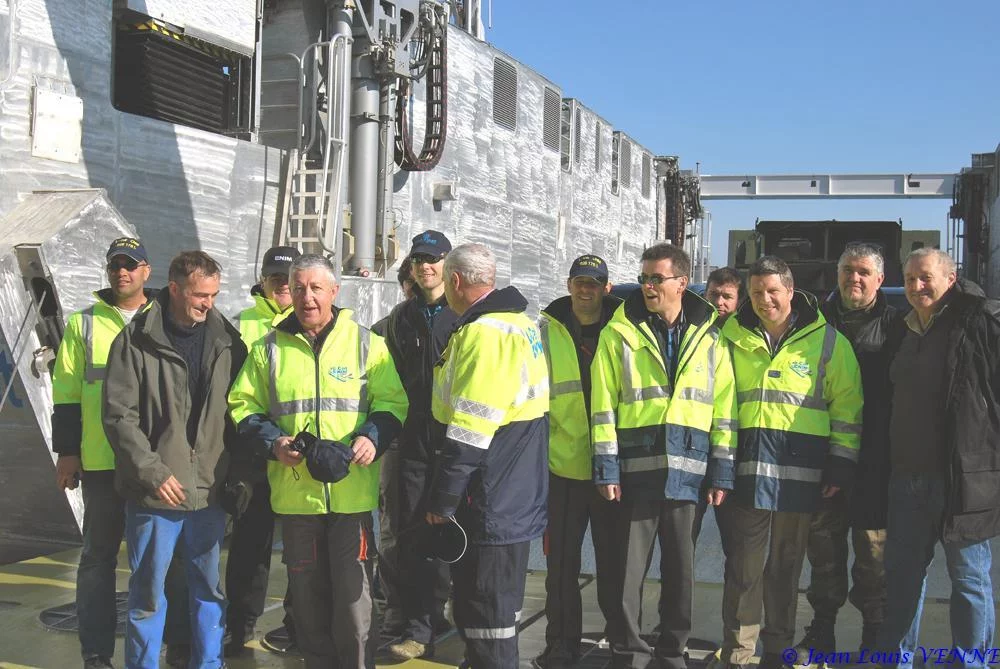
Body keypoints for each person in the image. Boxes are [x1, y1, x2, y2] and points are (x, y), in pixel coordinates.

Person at [228, 253, 408, 669]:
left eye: (315, 288)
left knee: (353, 604)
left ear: (333, 292)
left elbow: (393, 403)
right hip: (297, 501)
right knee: (307, 603)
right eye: (299, 288)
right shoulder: (267, 350)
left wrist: (372, 436)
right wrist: (274, 443)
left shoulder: (367, 344)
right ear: (287, 292)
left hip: (351, 498)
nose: (307, 298)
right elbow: (242, 406)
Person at [590, 243, 738, 669]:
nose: (648, 285)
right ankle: (629, 654)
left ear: (681, 282)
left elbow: (724, 411)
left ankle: (672, 654)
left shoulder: (711, 339)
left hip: (689, 475)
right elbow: (603, 407)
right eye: (644, 278)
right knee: (627, 575)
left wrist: (722, 475)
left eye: (657, 278)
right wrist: (606, 469)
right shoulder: (618, 334)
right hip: (635, 473)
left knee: (681, 575)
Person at [103, 251, 246, 669]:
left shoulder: (228, 342)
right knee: (147, 594)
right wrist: (152, 473)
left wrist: (237, 478)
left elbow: (239, 415)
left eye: (214, 295)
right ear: (174, 289)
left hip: (209, 493)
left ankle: (209, 665)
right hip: (156, 495)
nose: (208, 303)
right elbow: (118, 415)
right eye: (200, 295)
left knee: (208, 590)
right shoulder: (133, 341)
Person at [718, 255, 862, 669]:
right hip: (747, 474)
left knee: (785, 572)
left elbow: (848, 409)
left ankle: (777, 651)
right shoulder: (729, 338)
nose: (765, 300)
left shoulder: (828, 341)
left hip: (801, 480)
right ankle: (739, 654)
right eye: (757, 292)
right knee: (743, 572)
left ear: (791, 291)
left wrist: (840, 465)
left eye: (773, 291)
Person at [52, 238, 189, 669]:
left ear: (148, 271)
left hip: (156, 465)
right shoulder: (84, 324)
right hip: (101, 463)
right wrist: (68, 452)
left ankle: (171, 643)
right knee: (97, 558)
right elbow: (67, 394)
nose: (121, 272)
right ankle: (96, 653)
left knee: (164, 562)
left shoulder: (167, 318)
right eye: (115, 265)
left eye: (130, 265)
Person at [425, 243, 549, 668]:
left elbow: (469, 431)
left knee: (486, 616)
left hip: (488, 499)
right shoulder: (519, 324)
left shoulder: (484, 333)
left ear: (455, 282)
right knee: (495, 617)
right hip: (511, 494)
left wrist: (441, 502)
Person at [875, 248, 1000, 669]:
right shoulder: (905, 329)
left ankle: (972, 663)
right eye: (909, 279)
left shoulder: (979, 322)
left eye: (925, 277)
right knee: (904, 577)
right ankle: (898, 661)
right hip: (907, 478)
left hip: (964, 479)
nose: (915, 287)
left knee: (969, 579)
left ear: (951, 277)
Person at [792, 244, 894, 658]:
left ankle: (875, 633)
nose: (855, 277)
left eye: (864, 272)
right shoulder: (812, 322)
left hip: (875, 463)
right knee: (824, 551)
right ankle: (823, 630)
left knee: (873, 554)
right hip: (823, 459)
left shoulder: (897, 327)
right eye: (848, 270)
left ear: (880, 279)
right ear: (837, 274)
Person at [532, 254, 624, 669]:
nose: (586, 290)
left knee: (615, 566)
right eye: (579, 282)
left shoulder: (624, 328)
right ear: (569, 284)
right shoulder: (546, 329)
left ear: (607, 288)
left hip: (614, 470)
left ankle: (621, 642)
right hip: (564, 468)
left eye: (594, 283)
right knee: (561, 567)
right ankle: (561, 644)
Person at [381, 231, 458, 660]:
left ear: (448, 265)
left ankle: (447, 613)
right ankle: (416, 625)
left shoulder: (464, 316)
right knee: (410, 536)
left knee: (453, 536)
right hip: (410, 445)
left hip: (453, 444)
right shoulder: (401, 318)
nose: (426, 266)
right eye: (419, 260)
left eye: (434, 259)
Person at [223, 245, 300, 656]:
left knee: (301, 550)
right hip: (256, 455)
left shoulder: (311, 320)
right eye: (275, 279)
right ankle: (240, 623)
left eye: (289, 280)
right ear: (263, 281)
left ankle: (296, 622)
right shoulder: (241, 325)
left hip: (298, 458)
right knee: (249, 547)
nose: (282, 287)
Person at [692, 266, 745, 545]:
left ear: (739, 301)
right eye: (714, 294)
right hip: (695, 446)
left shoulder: (748, 338)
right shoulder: (691, 333)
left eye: (727, 296)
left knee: (736, 544)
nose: (719, 302)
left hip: (735, 448)